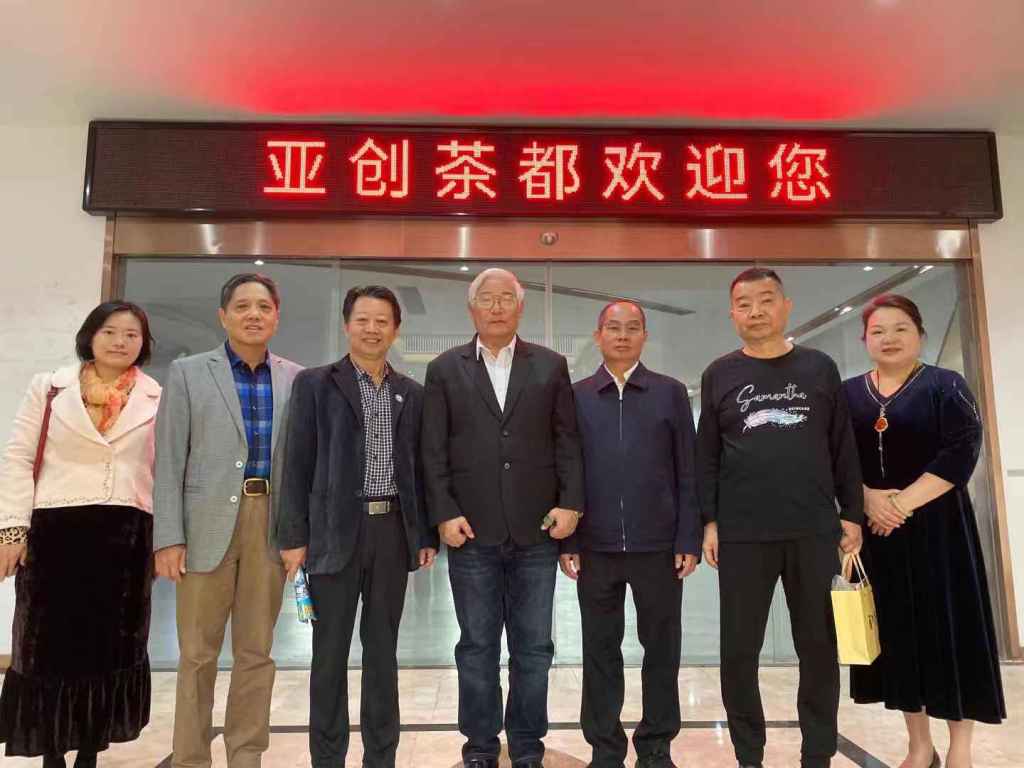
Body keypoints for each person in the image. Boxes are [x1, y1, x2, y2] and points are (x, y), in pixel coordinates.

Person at [696, 267, 864, 768]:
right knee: (739, 651)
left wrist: (851, 513)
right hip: (742, 533)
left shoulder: (819, 368)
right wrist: (710, 521)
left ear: (786, 307)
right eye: (744, 304)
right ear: (732, 314)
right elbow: (707, 456)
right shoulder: (719, 373)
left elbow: (842, 446)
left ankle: (818, 752)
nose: (756, 312)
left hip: (814, 529)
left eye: (766, 300)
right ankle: (749, 754)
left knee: (818, 647)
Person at [421, 267, 585, 768]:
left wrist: (571, 504)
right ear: (472, 309)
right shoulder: (444, 368)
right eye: (487, 299)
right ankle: (480, 746)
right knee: (476, 647)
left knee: (534, 648)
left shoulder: (550, 366)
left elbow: (567, 442)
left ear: (520, 307)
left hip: (537, 531)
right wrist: (444, 513)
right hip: (471, 532)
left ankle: (528, 745)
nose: (496, 307)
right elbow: (433, 450)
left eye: (505, 298)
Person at [276, 285, 439, 768]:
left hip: (391, 533)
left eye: (382, 321)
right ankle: (328, 758)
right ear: (347, 325)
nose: (372, 329)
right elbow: (296, 463)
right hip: (331, 534)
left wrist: (423, 534)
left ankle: (381, 757)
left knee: (383, 652)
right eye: (363, 320)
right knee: (328, 654)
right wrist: (293, 537)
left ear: (396, 330)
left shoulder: (412, 393)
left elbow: (420, 471)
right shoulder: (315, 385)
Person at [844, 293, 1005, 768]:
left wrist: (899, 503)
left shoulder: (945, 385)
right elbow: (836, 459)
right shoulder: (849, 394)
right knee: (898, 639)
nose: (889, 338)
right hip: (879, 536)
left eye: (900, 328)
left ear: (920, 334)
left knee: (951, 634)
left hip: (940, 532)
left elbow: (962, 450)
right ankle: (919, 746)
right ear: (865, 339)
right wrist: (868, 499)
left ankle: (960, 749)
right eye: (878, 331)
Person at [0, 301, 161, 768]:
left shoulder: (156, 395)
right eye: (109, 331)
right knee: (47, 648)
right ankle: (51, 751)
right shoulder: (50, 388)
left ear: (143, 344)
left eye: (131, 334)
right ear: (90, 335)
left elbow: (165, 469)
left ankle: (90, 750)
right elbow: (18, 457)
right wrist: (12, 530)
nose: (120, 341)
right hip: (55, 532)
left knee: (109, 648)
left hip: (126, 535)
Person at [152, 273, 303, 768]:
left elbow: (302, 465)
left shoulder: (296, 378)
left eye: (263, 306)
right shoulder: (189, 372)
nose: (253, 314)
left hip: (270, 523)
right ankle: (191, 757)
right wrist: (168, 537)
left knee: (257, 651)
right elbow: (169, 458)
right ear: (223, 316)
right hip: (204, 524)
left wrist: (298, 534)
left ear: (276, 316)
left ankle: (246, 754)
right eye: (242, 306)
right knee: (197, 654)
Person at [561, 299, 701, 768]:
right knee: (600, 651)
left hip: (658, 548)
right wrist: (569, 540)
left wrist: (687, 538)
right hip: (594, 547)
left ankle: (656, 747)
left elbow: (688, 471)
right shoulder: (577, 396)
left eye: (632, 328)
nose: (622, 335)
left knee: (661, 650)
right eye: (613, 328)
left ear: (645, 336)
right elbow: (567, 472)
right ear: (598, 336)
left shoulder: (669, 393)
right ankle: (605, 748)